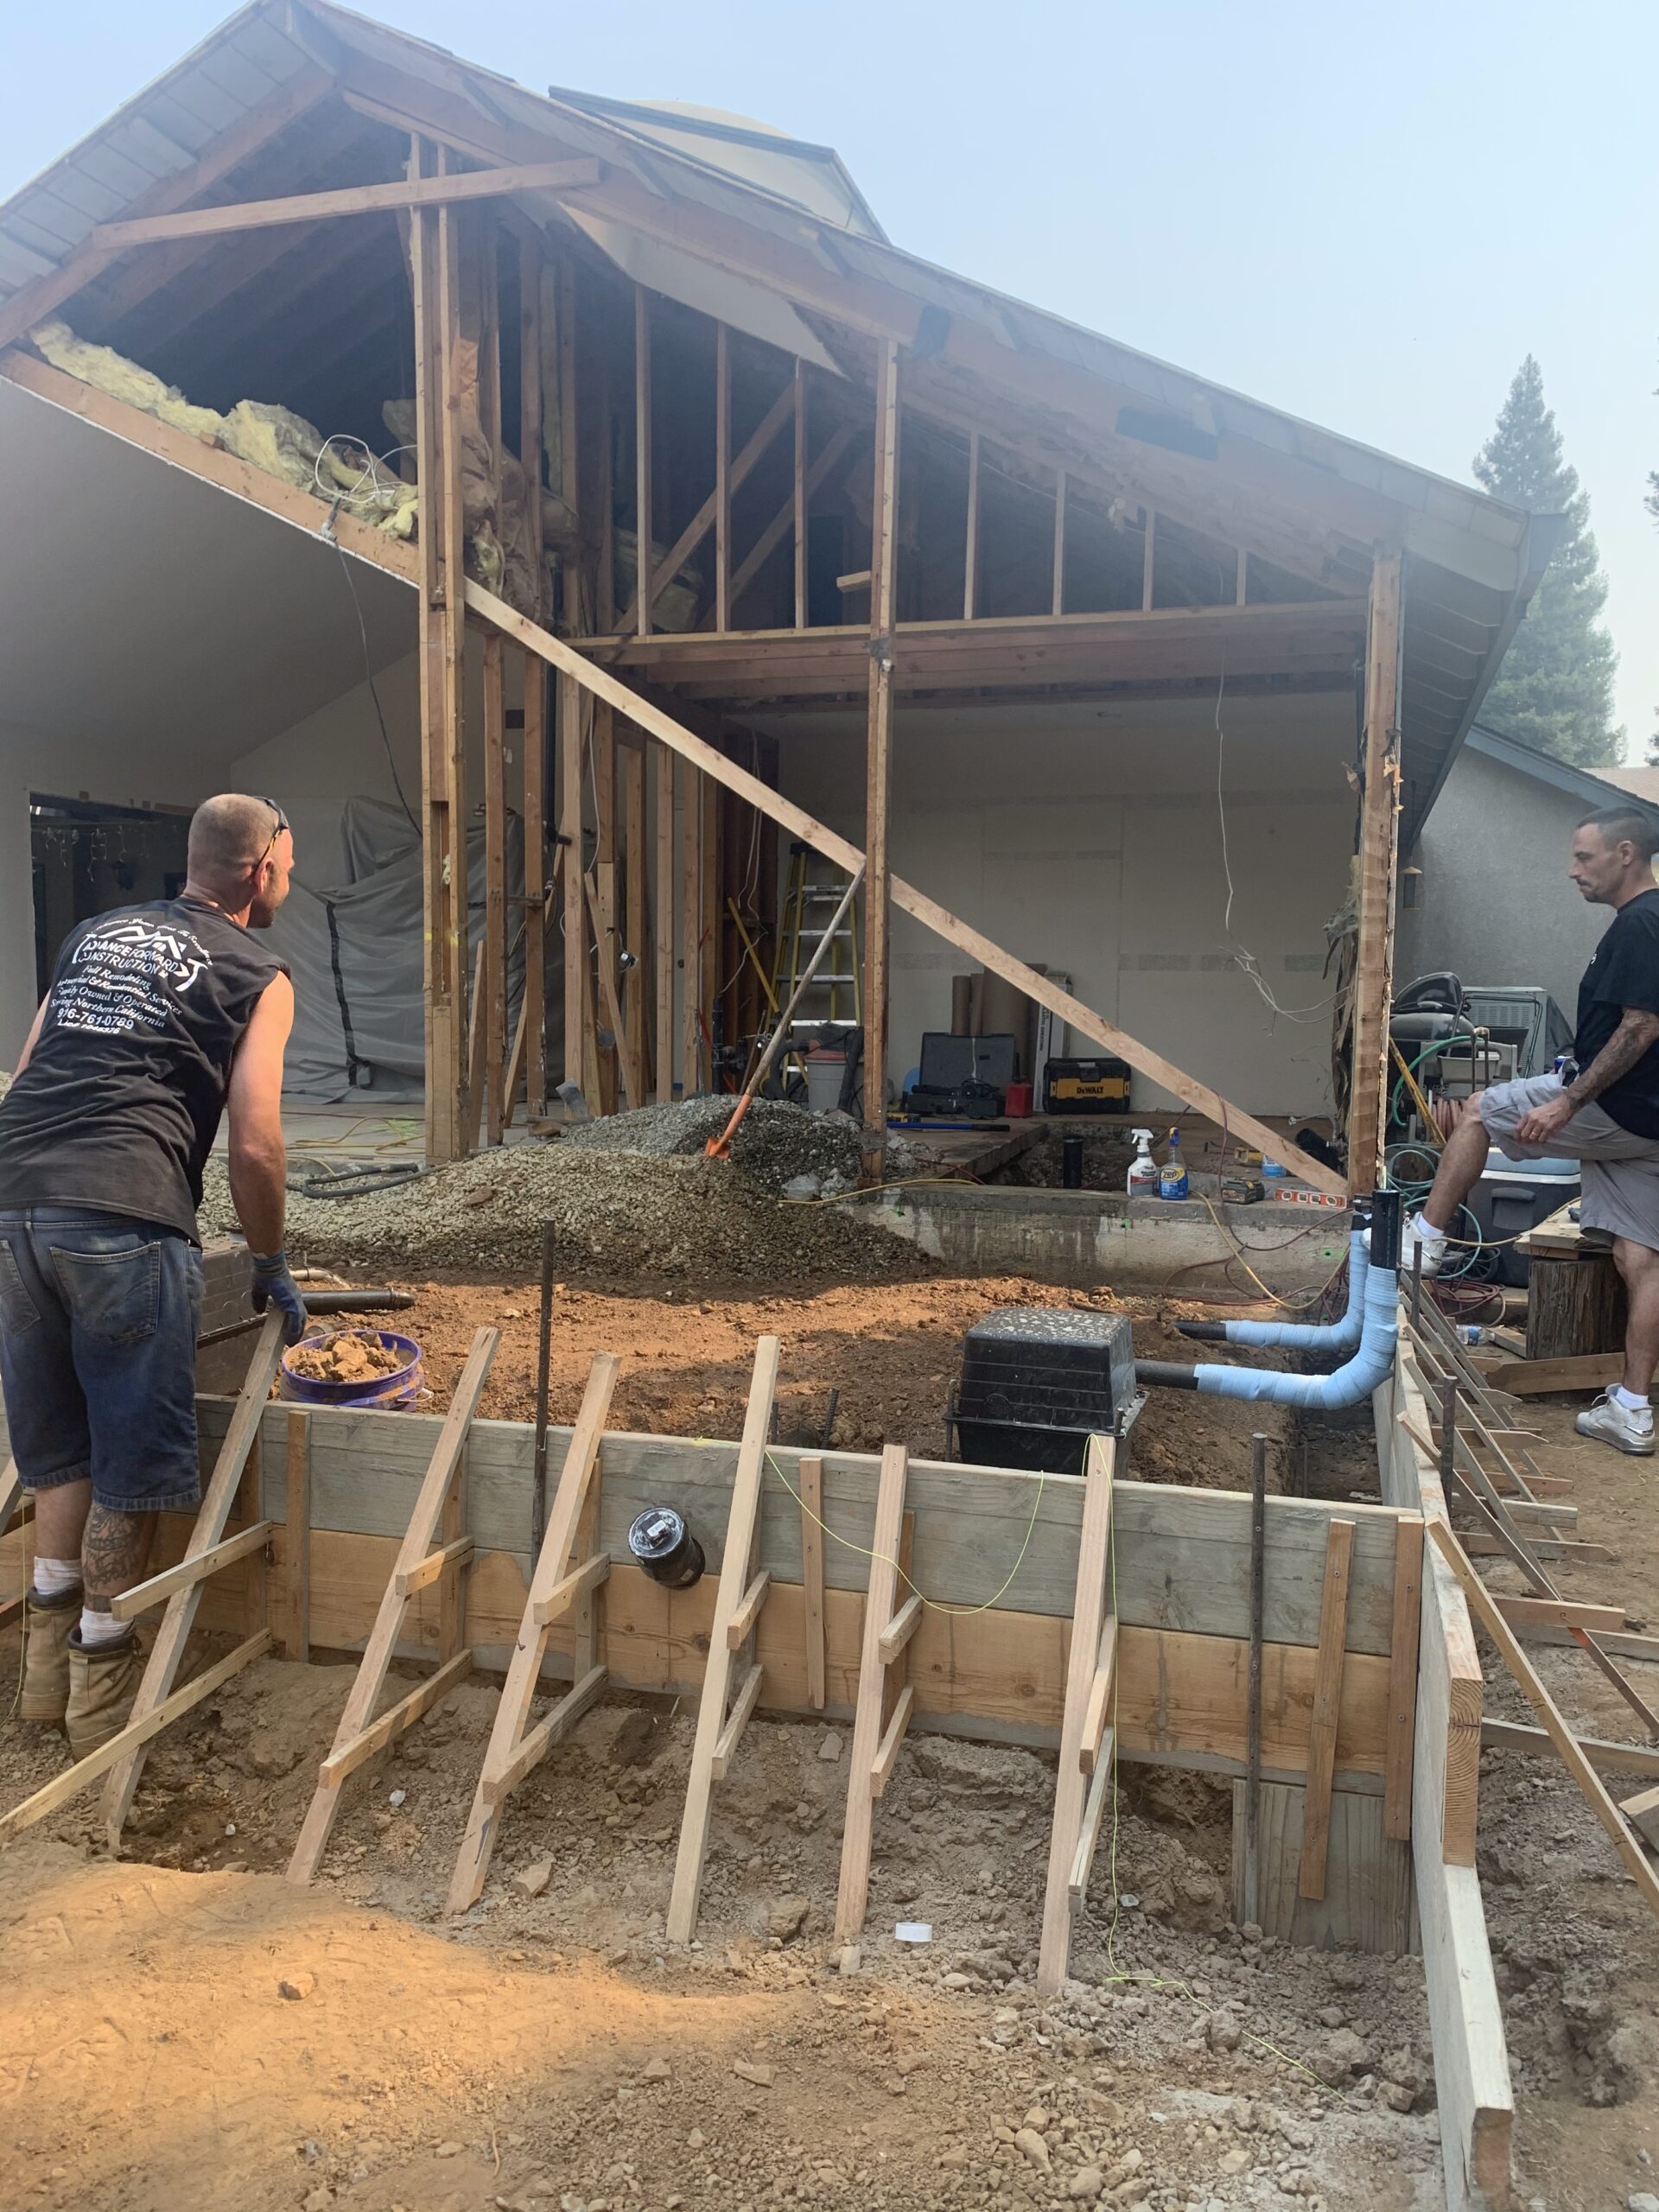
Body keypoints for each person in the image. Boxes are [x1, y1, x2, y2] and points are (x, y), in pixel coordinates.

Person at [0, 794, 308, 1756]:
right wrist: (269, 1260)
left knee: (61, 1446)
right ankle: (101, 1684)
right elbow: (256, 1143)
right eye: (289, 865)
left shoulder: (92, 936)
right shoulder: (257, 970)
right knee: (130, 1466)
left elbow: (27, 1071)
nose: (289, 880)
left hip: (13, 1208)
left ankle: (41, 1679)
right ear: (260, 869)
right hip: (124, 1214)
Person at [1405, 804, 1659, 1456]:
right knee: (1640, 1256)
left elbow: (1640, 1028)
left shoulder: (1642, 921)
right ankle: (1633, 1410)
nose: (1573, 870)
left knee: (1480, 1108)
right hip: (1649, 1123)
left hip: (1617, 1108)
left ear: (1625, 854)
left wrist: (1567, 1102)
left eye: (1584, 856)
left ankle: (1425, 1242)